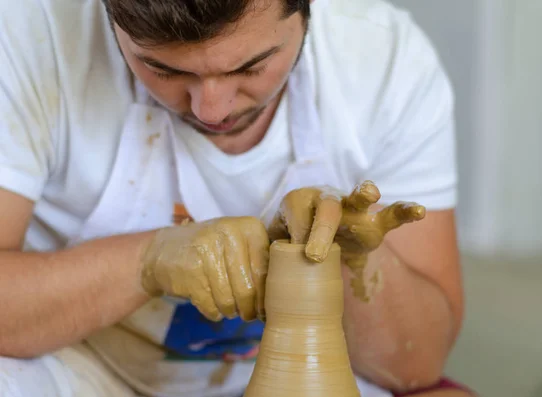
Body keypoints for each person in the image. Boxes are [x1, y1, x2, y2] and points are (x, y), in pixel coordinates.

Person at [0, 0, 471, 396]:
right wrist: (148, 260)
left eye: (251, 66)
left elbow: (418, 365)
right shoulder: (30, 35)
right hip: (85, 368)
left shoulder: (384, 60)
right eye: (161, 67)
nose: (213, 109)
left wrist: (359, 264)